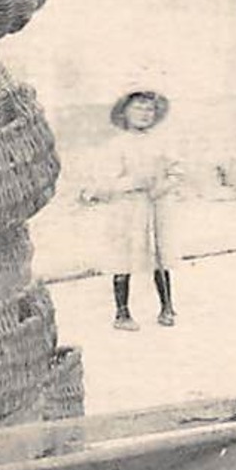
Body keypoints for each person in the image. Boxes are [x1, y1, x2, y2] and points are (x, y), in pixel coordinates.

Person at [79, 89, 183, 330]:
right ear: (125, 113)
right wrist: (133, 183)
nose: (145, 114)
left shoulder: (162, 144)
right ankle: (122, 313)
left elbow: (176, 171)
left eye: (149, 109)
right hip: (127, 209)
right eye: (138, 108)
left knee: (161, 255)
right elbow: (104, 184)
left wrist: (163, 186)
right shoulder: (116, 146)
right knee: (123, 257)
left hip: (157, 206)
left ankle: (167, 307)